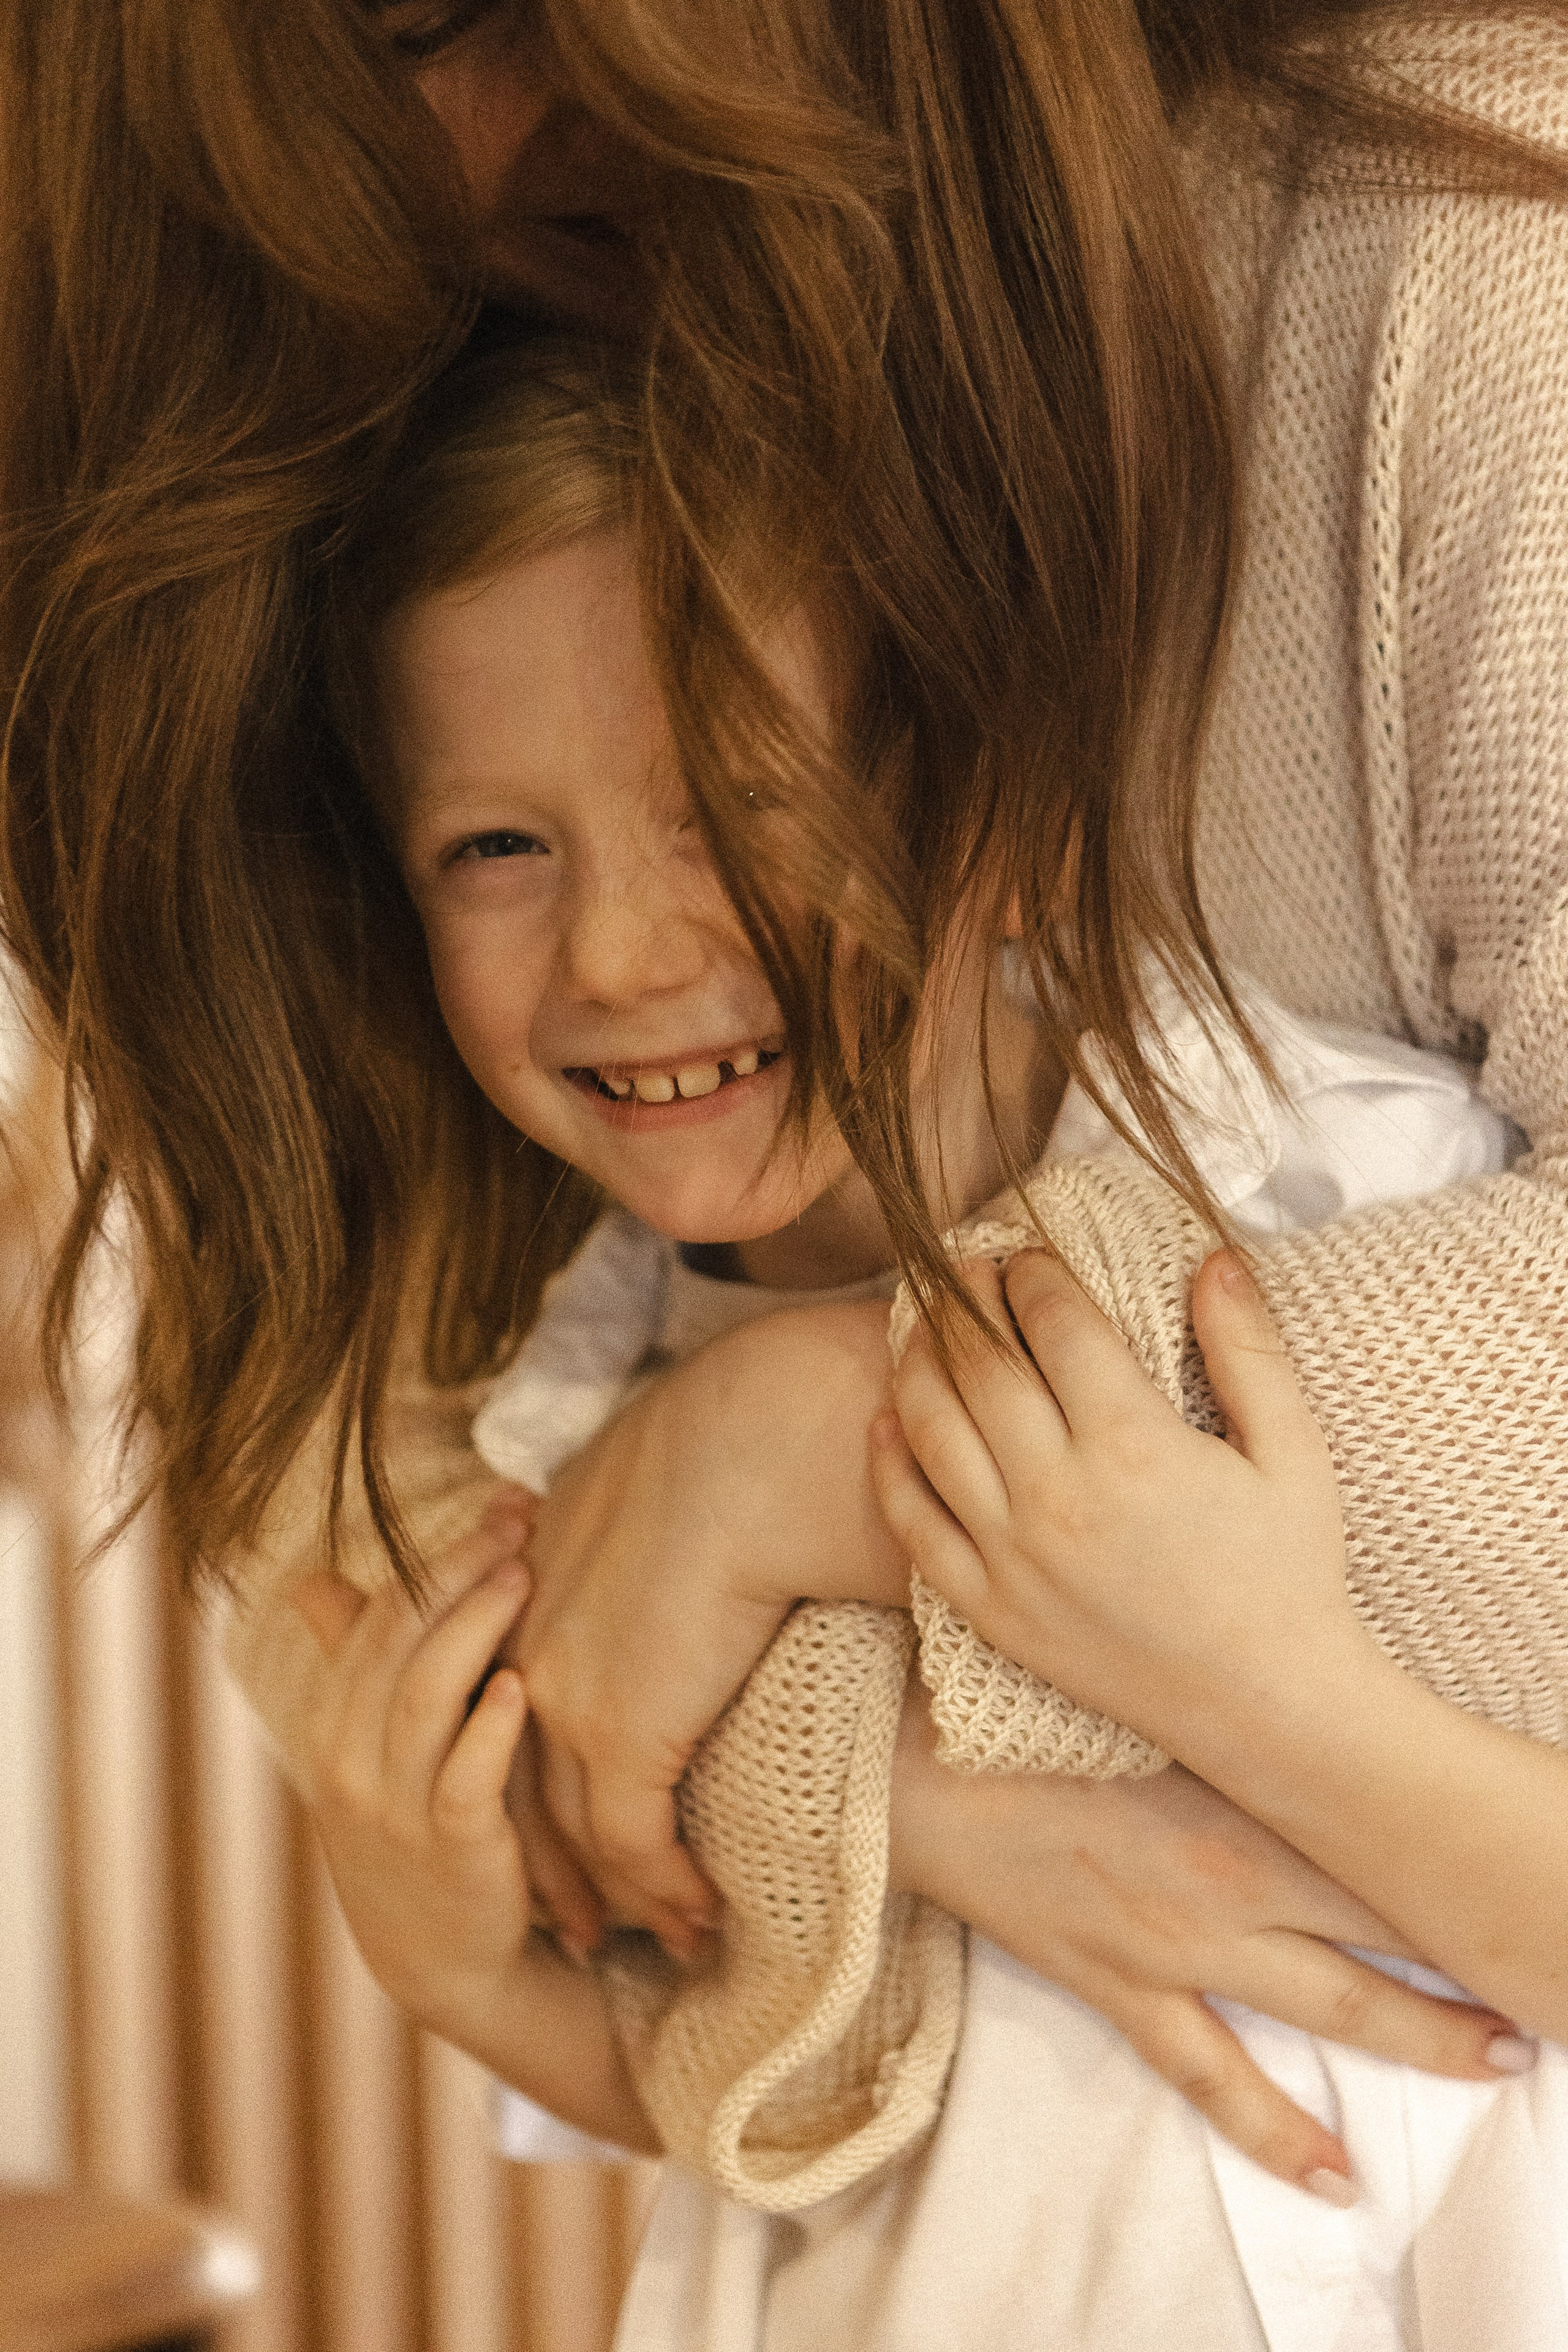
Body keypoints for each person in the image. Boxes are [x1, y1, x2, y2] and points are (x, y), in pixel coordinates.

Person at [4, 0, 1568, 2311]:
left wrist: (822, 1447)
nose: (408, 155)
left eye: (436, 30)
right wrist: (846, 1804)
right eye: (493, 852)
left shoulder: (1448, 295)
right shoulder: (475, 388)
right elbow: (369, 1513)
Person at [292, 339, 1564, 2352]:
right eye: (498, 850)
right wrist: (474, 1979)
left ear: (1024, 811)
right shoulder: (555, 1445)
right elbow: (766, 2104)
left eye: (735, 800)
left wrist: (1267, 1689)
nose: (621, 952)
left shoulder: (1325, 1215)